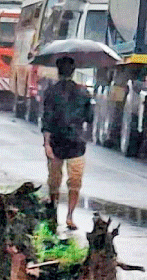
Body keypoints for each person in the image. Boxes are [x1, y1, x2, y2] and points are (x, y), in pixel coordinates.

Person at [41, 56, 92, 230]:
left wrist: (46, 144)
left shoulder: (50, 92)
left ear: (58, 71)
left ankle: (53, 212)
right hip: (76, 144)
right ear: (73, 71)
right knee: (75, 182)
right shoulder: (83, 92)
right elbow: (89, 118)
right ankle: (70, 216)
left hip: (56, 142)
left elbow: (46, 119)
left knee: (54, 181)